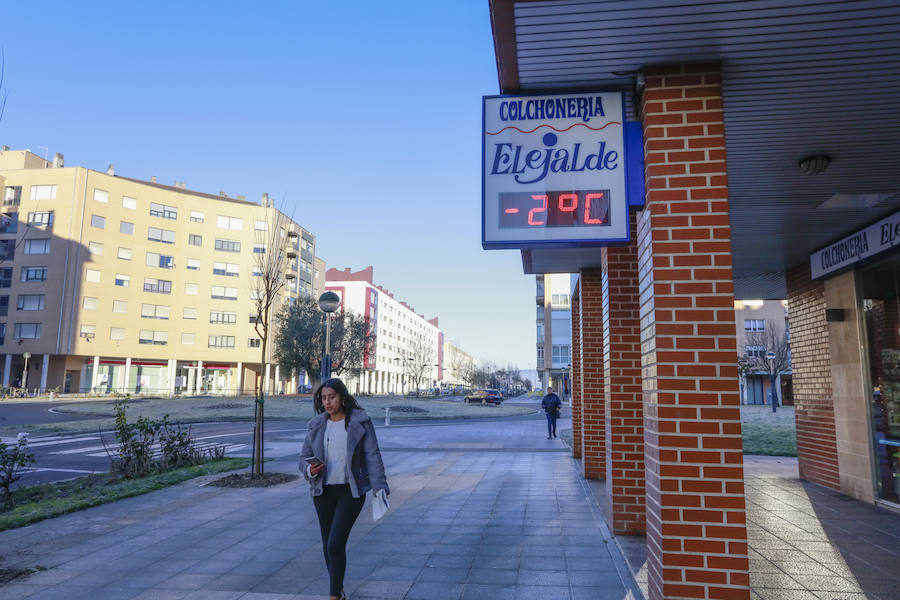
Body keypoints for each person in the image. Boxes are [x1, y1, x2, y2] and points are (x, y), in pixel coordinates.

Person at [299, 378, 389, 600]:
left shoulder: (360, 422)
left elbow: (372, 456)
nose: (327, 402)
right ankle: (337, 589)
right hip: (323, 492)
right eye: (323, 398)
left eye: (332, 397)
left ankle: (333, 596)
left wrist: (380, 486)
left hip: (351, 492)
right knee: (328, 544)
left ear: (342, 397)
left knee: (335, 543)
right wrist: (311, 470)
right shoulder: (316, 425)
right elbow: (303, 459)